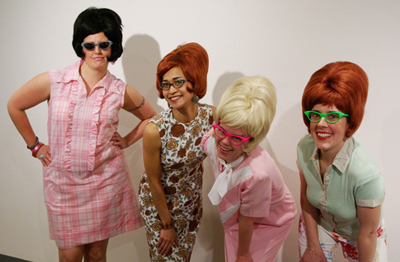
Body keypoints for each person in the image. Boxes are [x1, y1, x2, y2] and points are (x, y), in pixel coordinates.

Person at [7, 7, 156, 262]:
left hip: (104, 183)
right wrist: (35, 146)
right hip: (62, 185)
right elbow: (14, 105)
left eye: (104, 44)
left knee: (97, 254)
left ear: (113, 47)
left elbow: (152, 117)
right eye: (90, 45)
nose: (97, 51)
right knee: (69, 256)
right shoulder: (54, 81)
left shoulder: (120, 90)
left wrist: (128, 140)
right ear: (81, 45)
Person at [297, 61, 387, 262]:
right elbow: (306, 197)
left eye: (332, 116)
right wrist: (312, 247)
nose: (321, 123)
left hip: (361, 234)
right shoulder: (304, 147)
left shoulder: (365, 173)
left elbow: (368, 234)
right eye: (315, 114)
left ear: (350, 121)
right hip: (321, 224)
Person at [201, 76, 297, 262]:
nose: (225, 142)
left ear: (253, 139)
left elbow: (247, 218)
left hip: (269, 221)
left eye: (236, 138)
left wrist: (243, 254)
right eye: (222, 130)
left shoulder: (257, 174)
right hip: (240, 211)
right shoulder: (212, 140)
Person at [138, 42, 215, 261]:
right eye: (165, 85)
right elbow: (153, 181)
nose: (171, 91)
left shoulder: (210, 116)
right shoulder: (155, 130)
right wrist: (166, 225)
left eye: (178, 82)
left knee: (184, 257)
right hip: (159, 207)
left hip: (190, 203)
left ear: (194, 80)